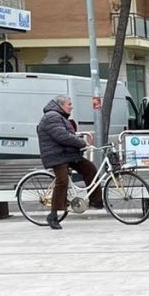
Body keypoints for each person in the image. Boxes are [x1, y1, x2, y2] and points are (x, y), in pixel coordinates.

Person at [36, 95, 103, 230]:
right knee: (62, 181)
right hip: (56, 155)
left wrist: (79, 144)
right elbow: (62, 136)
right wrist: (82, 142)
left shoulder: (59, 116)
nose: (71, 106)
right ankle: (53, 215)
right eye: (69, 104)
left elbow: (67, 135)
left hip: (66, 154)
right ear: (60, 105)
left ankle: (96, 201)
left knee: (89, 168)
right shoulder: (52, 117)